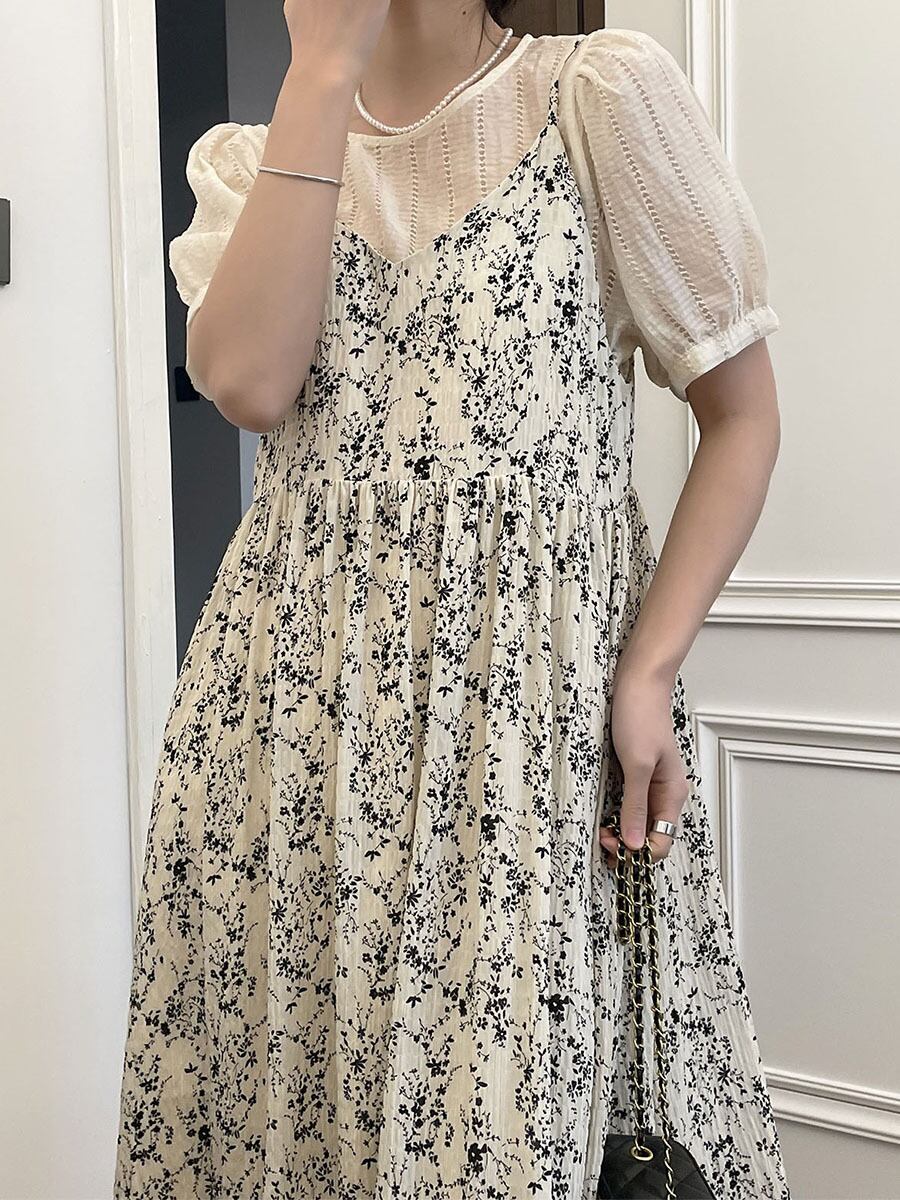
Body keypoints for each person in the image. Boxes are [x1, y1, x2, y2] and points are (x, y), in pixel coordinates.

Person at [114, 1, 791, 1196]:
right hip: (287, 738)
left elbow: (743, 417)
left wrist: (648, 670)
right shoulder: (251, 159)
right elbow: (251, 385)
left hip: (524, 742)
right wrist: (322, 68)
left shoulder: (599, 97)